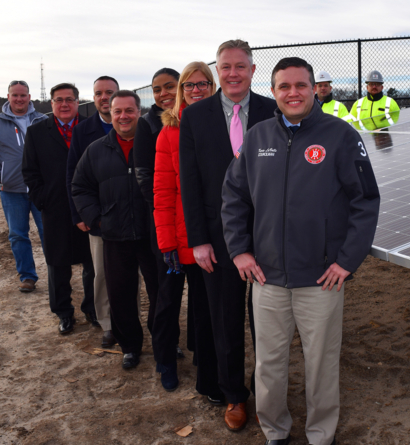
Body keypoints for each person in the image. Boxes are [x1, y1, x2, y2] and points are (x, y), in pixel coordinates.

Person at [221, 57, 380, 445]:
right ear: (273, 92)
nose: (293, 93)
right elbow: (233, 197)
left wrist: (346, 260)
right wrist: (240, 251)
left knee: (322, 365)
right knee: (269, 365)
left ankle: (320, 435)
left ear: (314, 89)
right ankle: (275, 431)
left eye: (300, 85)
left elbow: (365, 201)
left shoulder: (341, 135)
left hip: (321, 279)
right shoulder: (257, 138)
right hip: (268, 278)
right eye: (284, 87)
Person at [179, 39, 276, 432]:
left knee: (268, 322)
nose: (233, 73)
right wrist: (198, 239)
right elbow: (190, 181)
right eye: (226, 67)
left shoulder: (274, 110)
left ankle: (266, 393)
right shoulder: (196, 116)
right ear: (217, 71)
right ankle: (234, 394)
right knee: (226, 318)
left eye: (241, 66)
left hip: (269, 233)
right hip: (217, 237)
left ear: (253, 70)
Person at [72, 90, 159, 370]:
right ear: (110, 113)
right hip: (114, 235)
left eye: (129, 111)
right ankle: (130, 346)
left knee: (160, 292)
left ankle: (164, 342)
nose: (123, 116)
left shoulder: (155, 144)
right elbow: (80, 186)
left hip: (152, 234)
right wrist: (97, 220)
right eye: (117, 111)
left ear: (140, 112)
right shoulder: (97, 149)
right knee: (120, 295)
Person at [153, 62, 224, 398]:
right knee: (168, 303)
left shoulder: (223, 125)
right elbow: (163, 191)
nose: (196, 91)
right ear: (181, 90)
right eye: (189, 85)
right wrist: (167, 241)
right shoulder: (169, 132)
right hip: (179, 239)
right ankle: (166, 362)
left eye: (203, 84)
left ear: (213, 86)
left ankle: (205, 373)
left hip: (209, 237)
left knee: (205, 310)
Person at [21, 83, 95, 335]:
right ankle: (63, 313)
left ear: (77, 102)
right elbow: (30, 171)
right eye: (59, 100)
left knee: (91, 262)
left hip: (88, 206)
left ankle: (92, 309)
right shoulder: (37, 132)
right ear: (51, 104)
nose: (64, 104)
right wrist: (42, 200)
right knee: (57, 263)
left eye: (70, 99)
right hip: (54, 207)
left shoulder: (91, 128)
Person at [132, 68, 189, 360]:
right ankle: (164, 352)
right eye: (156, 90)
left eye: (169, 87)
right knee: (166, 294)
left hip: (194, 224)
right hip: (164, 221)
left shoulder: (196, 117)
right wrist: (164, 210)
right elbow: (144, 176)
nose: (163, 94)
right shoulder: (148, 124)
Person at [0, 80, 47, 293]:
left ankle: (56, 273)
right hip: (12, 190)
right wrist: (0, 174)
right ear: (8, 97)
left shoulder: (42, 120)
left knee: (49, 232)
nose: (19, 99)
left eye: (23, 95)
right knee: (18, 234)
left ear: (29, 97)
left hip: (41, 189)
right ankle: (27, 276)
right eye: (15, 95)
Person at [66, 76, 119, 347]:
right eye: (99, 93)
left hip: (131, 215)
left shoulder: (137, 126)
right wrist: (80, 215)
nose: (104, 97)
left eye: (109, 92)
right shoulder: (83, 130)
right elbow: (73, 176)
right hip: (99, 217)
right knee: (101, 273)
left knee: (131, 274)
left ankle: (130, 320)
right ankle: (108, 323)